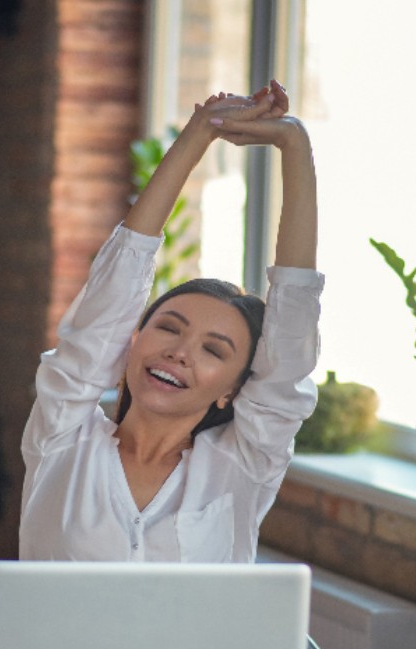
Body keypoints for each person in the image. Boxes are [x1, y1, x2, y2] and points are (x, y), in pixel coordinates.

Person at [20, 80, 321, 563]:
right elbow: (115, 285)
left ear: (234, 389)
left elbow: (294, 319)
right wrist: (200, 131)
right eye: (169, 327)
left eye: (214, 350)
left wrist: (294, 143)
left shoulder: (242, 466)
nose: (180, 352)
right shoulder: (63, 436)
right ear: (131, 341)